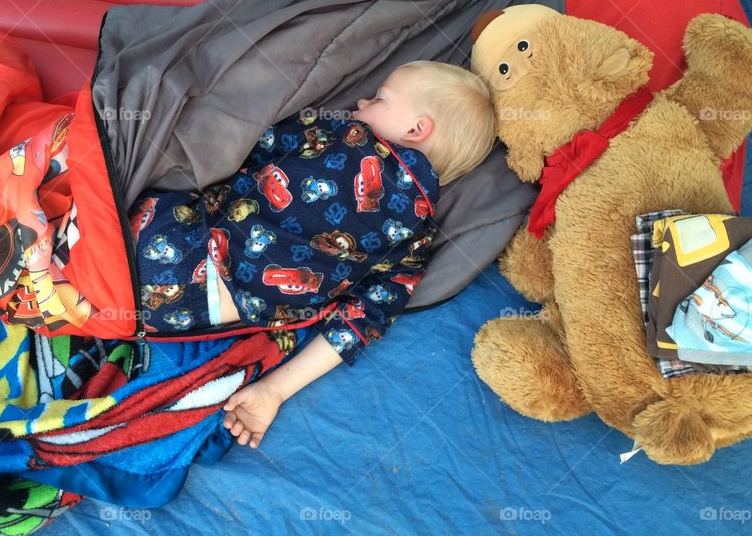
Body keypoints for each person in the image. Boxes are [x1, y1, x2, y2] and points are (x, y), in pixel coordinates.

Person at [129, 60, 496, 447]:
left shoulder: (347, 136)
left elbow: (254, 142)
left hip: (179, 239)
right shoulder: (416, 244)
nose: (361, 100)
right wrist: (275, 391)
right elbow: (355, 326)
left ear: (416, 129)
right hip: (187, 315)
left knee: (105, 208)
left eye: (379, 98)